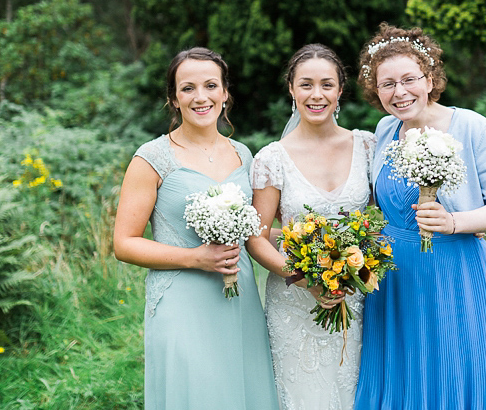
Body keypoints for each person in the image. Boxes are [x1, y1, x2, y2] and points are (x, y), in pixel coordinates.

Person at [353, 24, 486, 410]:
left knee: (455, 369)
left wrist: (454, 223)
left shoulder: (473, 127)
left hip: (454, 271)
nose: (399, 92)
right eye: (387, 84)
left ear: (429, 79)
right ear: (375, 90)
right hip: (393, 277)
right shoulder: (384, 130)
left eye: (409, 79)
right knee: (402, 375)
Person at [113, 47, 279, 410]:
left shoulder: (243, 154)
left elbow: (256, 233)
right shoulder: (152, 158)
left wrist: (312, 247)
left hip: (240, 297)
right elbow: (124, 243)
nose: (200, 97)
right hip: (181, 300)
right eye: (188, 88)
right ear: (174, 98)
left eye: (210, 86)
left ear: (224, 93)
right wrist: (194, 258)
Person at [247, 44, 377, 410]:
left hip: (356, 295)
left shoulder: (367, 146)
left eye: (326, 85)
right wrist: (306, 279)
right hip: (294, 299)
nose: (316, 95)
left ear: (340, 91)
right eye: (306, 84)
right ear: (291, 89)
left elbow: (392, 211)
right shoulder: (272, 158)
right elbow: (256, 240)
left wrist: (459, 217)